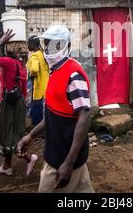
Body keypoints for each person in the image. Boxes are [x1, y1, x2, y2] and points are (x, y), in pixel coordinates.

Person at [17, 25, 94, 193]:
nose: (50, 49)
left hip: (62, 159)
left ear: (66, 46)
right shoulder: (55, 71)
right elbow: (52, 114)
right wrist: (31, 135)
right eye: (48, 43)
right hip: (58, 153)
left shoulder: (73, 75)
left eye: (56, 45)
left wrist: (68, 162)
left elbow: (85, 116)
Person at [0, 29, 38, 177]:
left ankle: (26, 159)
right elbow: (24, 89)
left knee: (6, 133)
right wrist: (22, 103)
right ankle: (10, 164)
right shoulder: (22, 65)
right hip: (19, 102)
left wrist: (0, 41)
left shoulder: (8, 62)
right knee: (15, 132)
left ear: (8, 48)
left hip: (9, 103)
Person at [27, 35, 49, 126]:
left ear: (32, 44)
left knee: (37, 107)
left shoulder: (34, 55)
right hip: (46, 84)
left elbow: (35, 69)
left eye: (28, 44)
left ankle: (37, 129)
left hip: (38, 85)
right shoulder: (42, 53)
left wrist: (32, 75)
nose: (28, 46)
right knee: (44, 107)